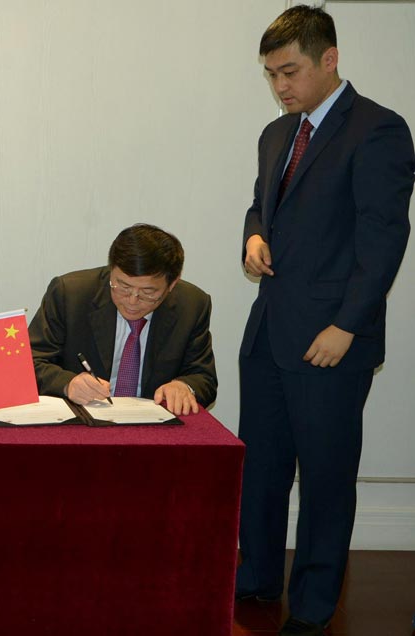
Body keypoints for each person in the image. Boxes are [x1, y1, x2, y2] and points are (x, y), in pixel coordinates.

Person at [237, 7, 415, 635]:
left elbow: (384, 239)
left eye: (289, 71)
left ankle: (312, 607)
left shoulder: (379, 131)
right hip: (268, 334)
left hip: (330, 340)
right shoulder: (275, 134)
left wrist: (348, 326)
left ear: (329, 59)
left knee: (326, 477)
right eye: (270, 74)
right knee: (259, 467)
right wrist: (253, 240)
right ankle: (254, 579)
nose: (280, 86)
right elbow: (260, 209)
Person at [28, 223, 216, 415]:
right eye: (123, 286)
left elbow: (203, 377)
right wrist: (67, 384)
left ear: (172, 284)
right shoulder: (70, 294)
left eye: (148, 292)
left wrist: (184, 386)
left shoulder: (192, 305)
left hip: (153, 427)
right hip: (82, 420)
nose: (133, 300)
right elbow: (30, 363)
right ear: (112, 270)